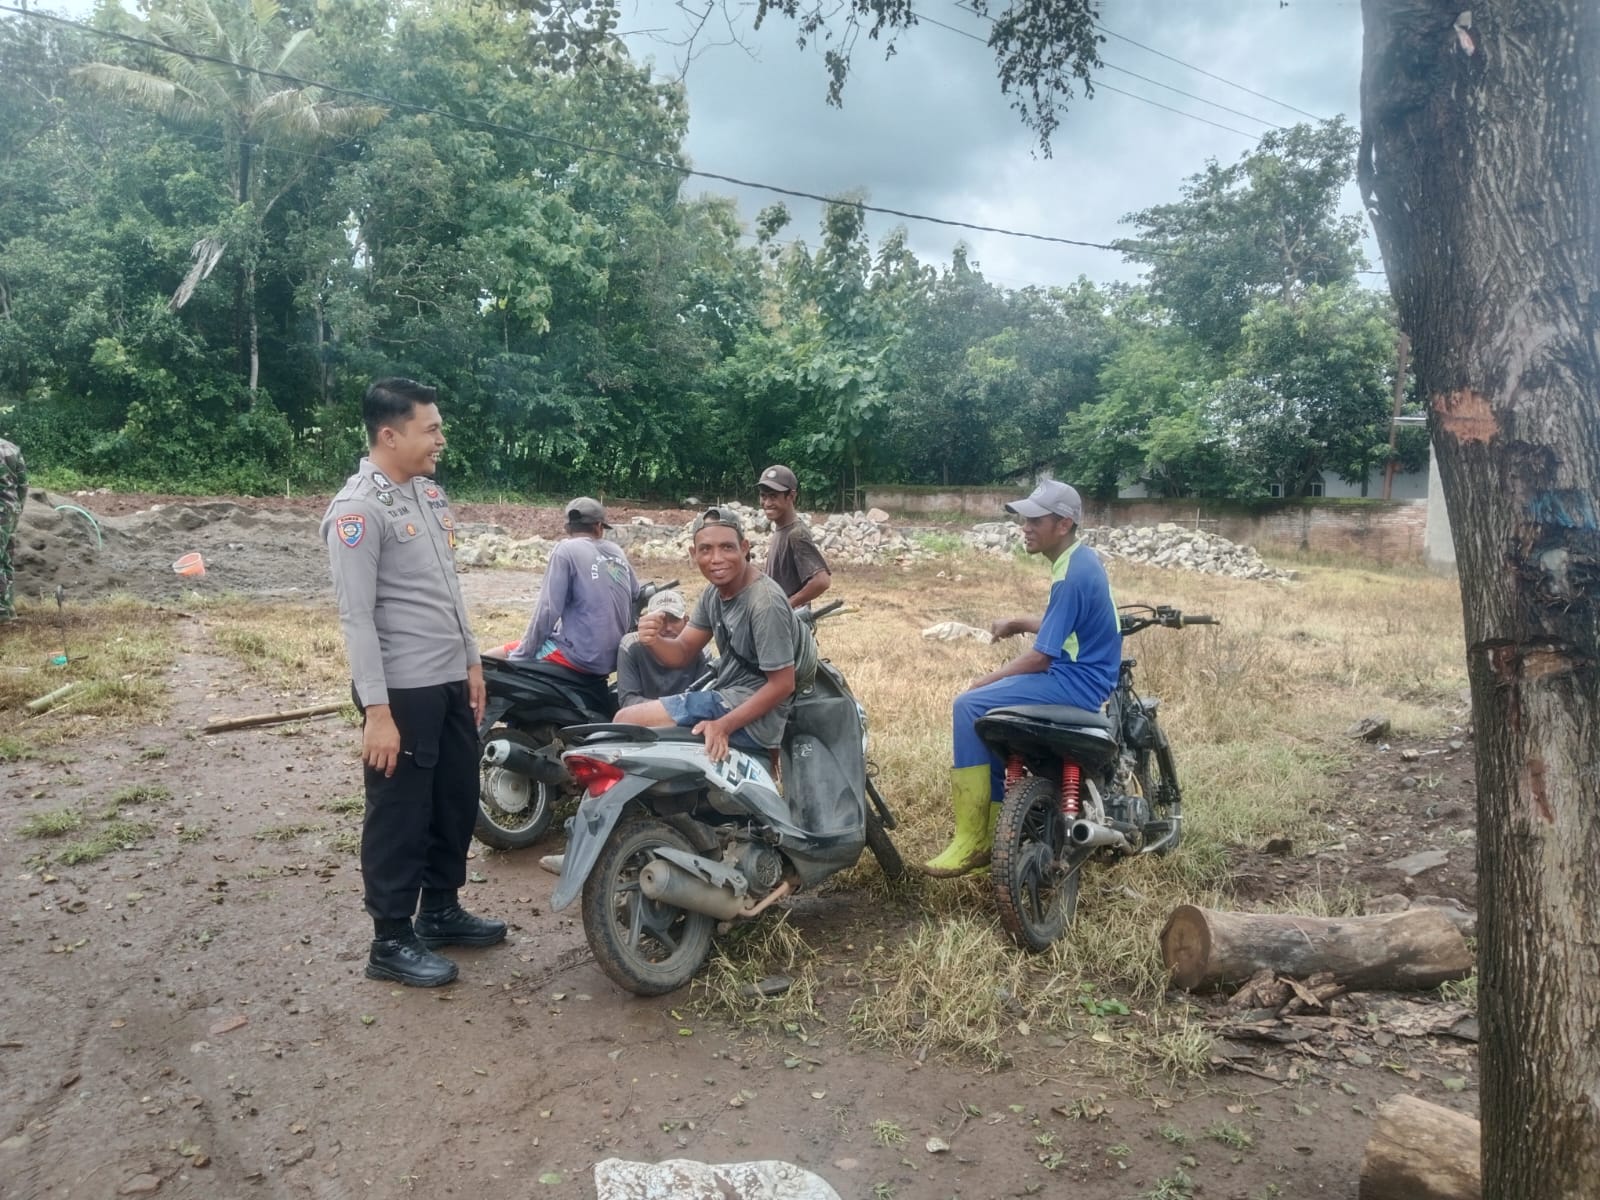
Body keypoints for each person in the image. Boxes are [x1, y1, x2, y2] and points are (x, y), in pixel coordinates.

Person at [321, 378, 505, 987]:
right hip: (401, 690)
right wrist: (377, 712)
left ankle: (441, 911)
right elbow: (356, 617)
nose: (441, 439)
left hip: (449, 678)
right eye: (431, 429)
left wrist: (471, 661)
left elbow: (447, 586)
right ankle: (391, 939)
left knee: (454, 797)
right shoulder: (357, 510)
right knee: (400, 811)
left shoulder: (427, 494)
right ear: (389, 435)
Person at [922, 479, 1121, 877]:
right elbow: (1065, 625)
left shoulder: (1070, 576)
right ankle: (1002, 827)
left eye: (1035, 520)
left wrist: (984, 681)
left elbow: (1041, 658)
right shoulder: (1081, 560)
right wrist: (1017, 622)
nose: (1024, 528)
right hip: (1086, 674)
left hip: (1075, 682)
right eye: (1024, 520)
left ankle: (975, 839)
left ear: (1063, 524)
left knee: (969, 706)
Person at [615, 506, 814, 762]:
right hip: (727, 696)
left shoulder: (765, 603)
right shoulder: (713, 593)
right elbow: (683, 652)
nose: (716, 558)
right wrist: (653, 641)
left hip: (751, 715)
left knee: (626, 719)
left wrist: (723, 726)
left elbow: (783, 684)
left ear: (744, 548)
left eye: (727, 547)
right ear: (693, 554)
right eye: (706, 549)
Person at [493, 497, 639, 677]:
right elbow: (635, 592)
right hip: (613, 657)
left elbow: (547, 610)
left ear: (567, 528)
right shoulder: (616, 551)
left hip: (582, 657)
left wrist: (520, 656)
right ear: (599, 527)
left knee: (493, 657)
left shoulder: (565, 550)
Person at [615, 588, 710, 708]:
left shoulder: (700, 648)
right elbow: (627, 700)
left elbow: (704, 700)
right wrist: (670, 708)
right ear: (646, 621)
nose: (668, 627)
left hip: (685, 718)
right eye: (661, 620)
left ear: (686, 621)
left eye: (674, 620)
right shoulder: (630, 645)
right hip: (646, 716)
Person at [756, 464, 832, 609]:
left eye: (773, 496)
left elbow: (822, 581)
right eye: (763, 496)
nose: (767, 503)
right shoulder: (781, 529)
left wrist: (788, 604)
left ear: (791, 496)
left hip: (790, 621)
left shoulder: (797, 534)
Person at [0, 437, 25, 621]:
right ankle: (8, 609)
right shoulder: (11, 448)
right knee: (6, 560)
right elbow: (23, 484)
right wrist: (18, 507)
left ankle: (2, 613)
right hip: (11, 510)